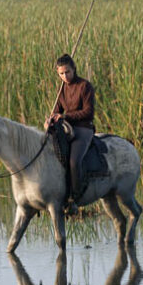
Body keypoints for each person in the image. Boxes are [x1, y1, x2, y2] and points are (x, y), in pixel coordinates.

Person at [43, 54, 95, 215]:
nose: (65, 76)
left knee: (73, 161)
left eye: (67, 72)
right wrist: (50, 120)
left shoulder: (85, 86)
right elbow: (57, 111)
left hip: (83, 128)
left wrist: (65, 116)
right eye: (61, 74)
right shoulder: (61, 89)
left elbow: (88, 112)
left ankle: (75, 198)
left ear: (74, 69)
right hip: (66, 128)